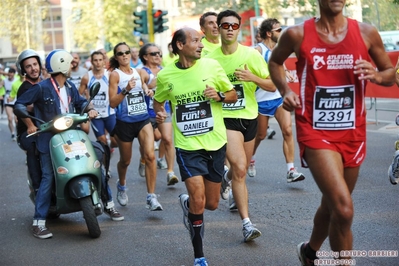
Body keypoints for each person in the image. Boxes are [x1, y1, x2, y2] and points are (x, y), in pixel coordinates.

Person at [267, 0, 396, 264]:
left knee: (333, 204)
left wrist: (376, 75)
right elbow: (275, 62)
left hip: (353, 130)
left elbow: (389, 73)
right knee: (344, 209)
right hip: (315, 129)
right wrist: (286, 91)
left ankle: (309, 251)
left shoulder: (366, 32)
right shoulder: (297, 34)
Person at [154, 27, 237, 266]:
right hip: (187, 146)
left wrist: (220, 97)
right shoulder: (166, 76)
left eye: (201, 41)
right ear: (180, 45)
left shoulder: (211, 67)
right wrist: (160, 115)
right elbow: (158, 102)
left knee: (210, 204)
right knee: (199, 200)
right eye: (196, 41)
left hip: (215, 142)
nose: (201, 45)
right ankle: (199, 255)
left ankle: (187, 204)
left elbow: (232, 94)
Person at [15, 49, 99, 239]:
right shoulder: (41, 87)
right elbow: (19, 104)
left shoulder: (69, 87)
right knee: (48, 177)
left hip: (71, 136)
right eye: (69, 63)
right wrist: (29, 120)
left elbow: (82, 103)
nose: (72, 66)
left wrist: (91, 109)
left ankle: (105, 202)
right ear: (62, 65)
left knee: (94, 159)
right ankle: (39, 222)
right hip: (48, 140)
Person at [207, 9, 275, 242]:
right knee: (241, 167)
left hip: (249, 116)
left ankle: (228, 179)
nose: (229, 29)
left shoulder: (251, 54)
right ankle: (247, 223)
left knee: (240, 173)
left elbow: (272, 85)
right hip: (224, 118)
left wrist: (252, 78)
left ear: (239, 28)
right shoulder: (210, 59)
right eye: (225, 25)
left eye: (234, 26)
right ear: (218, 27)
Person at [248, 18, 305, 182]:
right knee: (260, 135)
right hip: (260, 99)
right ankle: (251, 157)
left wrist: (285, 71)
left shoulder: (279, 49)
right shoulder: (257, 51)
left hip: (278, 97)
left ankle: (291, 170)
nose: (282, 33)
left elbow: (277, 62)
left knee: (287, 130)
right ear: (268, 33)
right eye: (278, 30)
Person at [108, 42, 163, 211]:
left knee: (150, 156)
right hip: (125, 122)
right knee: (125, 161)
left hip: (143, 119)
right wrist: (125, 90)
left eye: (126, 52)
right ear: (116, 57)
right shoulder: (115, 75)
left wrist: (149, 91)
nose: (124, 55)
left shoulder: (139, 72)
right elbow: (112, 103)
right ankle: (122, 185)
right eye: (120, 53)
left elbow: (150, 84)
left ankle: (151, 197)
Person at [78, 51, 123, 221]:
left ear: (104, 61)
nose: (98, 63)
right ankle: (106, 169)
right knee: (102, 142)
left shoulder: (110, 75)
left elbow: (118, 91)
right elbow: (80, 93)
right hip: (96, 116)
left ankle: (108, 158)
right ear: (92, 62)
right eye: (95, 60)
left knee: (115, 142)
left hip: (110, 113)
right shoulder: (86, 77)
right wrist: (87, 105)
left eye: (100, 60)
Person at [138, 43, 179, 186]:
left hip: (163, 109)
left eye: (159, 53)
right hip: (146, 112)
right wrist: (155, 82)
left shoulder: (165, 70)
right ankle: (143, 158)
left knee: (167, 139)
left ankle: (170, 172)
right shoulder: (142, 71)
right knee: (148, 143)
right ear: (145, 57)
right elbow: (143, 85)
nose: (158, 56)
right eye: (154, 53)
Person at [14, 49, 43, 198]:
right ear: (23, 70)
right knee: (33, 146)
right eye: (28, 66)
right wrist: (30, 125)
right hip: (28, 131)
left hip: (45, 127)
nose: (33, 69)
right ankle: (37, 188)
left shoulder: (45, 83)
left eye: (35, 64)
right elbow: (21, 108)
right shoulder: (24, 88)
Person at [3, 67, 17, 140]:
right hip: (7, 101)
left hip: (15, 100)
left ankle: (18, 132)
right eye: (9, 73)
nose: (10, 74)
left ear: (14, 74)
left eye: (12, 73)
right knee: (10, 118)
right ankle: (12, 133)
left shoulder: (17, 80)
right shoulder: (5, 81)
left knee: (16, 119)